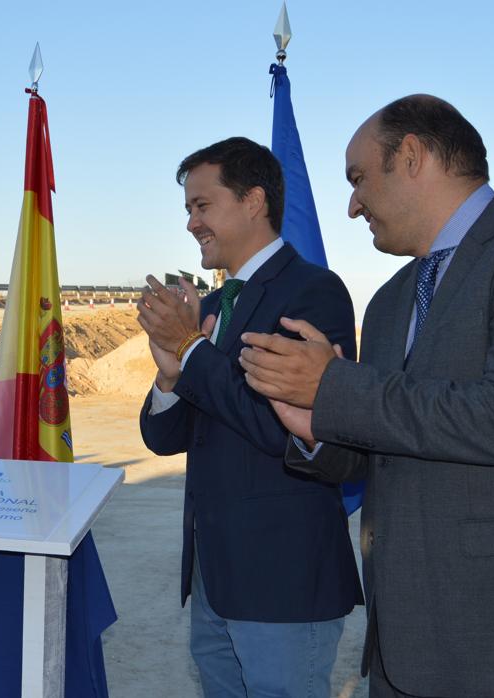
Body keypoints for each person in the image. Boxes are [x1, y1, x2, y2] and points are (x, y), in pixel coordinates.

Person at [238, 95, 494, 697]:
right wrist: (316, 425)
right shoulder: (389, 301)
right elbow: (380, 445)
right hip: (404, 652)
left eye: (358, 178)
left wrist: (336, 387)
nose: (352, 205)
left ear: (411, 156)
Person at [137, 136, 362, 697]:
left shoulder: (313, 292)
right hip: (216, 577)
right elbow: (167, 439)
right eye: (188, 209)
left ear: (254, 200)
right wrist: (171, 374)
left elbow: (278, 425)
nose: (191, 222)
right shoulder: (212, 308)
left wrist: (192, 351)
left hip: (281, 580)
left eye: (202, 205)